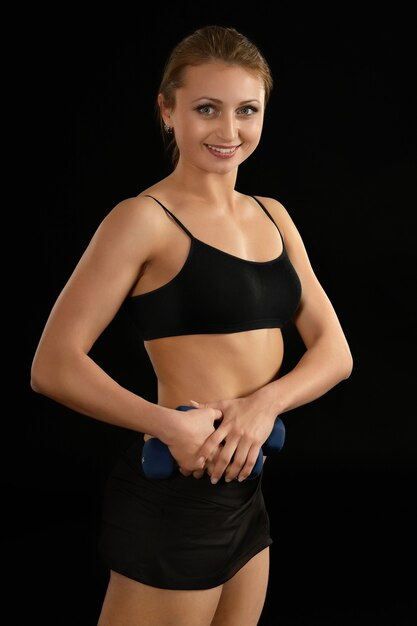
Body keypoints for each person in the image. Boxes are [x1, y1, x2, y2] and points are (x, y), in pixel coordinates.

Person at [31, 24, 353, 626]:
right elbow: (53, 364)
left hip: (246, 496)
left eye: (247, 111)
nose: (229, 132)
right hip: (177, 494)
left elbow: (335, 352)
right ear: (167, 111)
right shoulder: (142, 220)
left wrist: (264, 405)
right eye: (207, 109)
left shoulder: (273, 216)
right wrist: (164, 426)